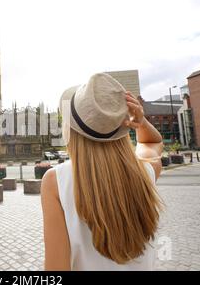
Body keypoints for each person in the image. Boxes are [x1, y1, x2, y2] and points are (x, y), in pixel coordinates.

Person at [41, 73, 164, 271]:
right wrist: (140, 122)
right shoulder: (145, 172)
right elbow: (154, 142)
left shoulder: (56, 182)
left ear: (71, 130)